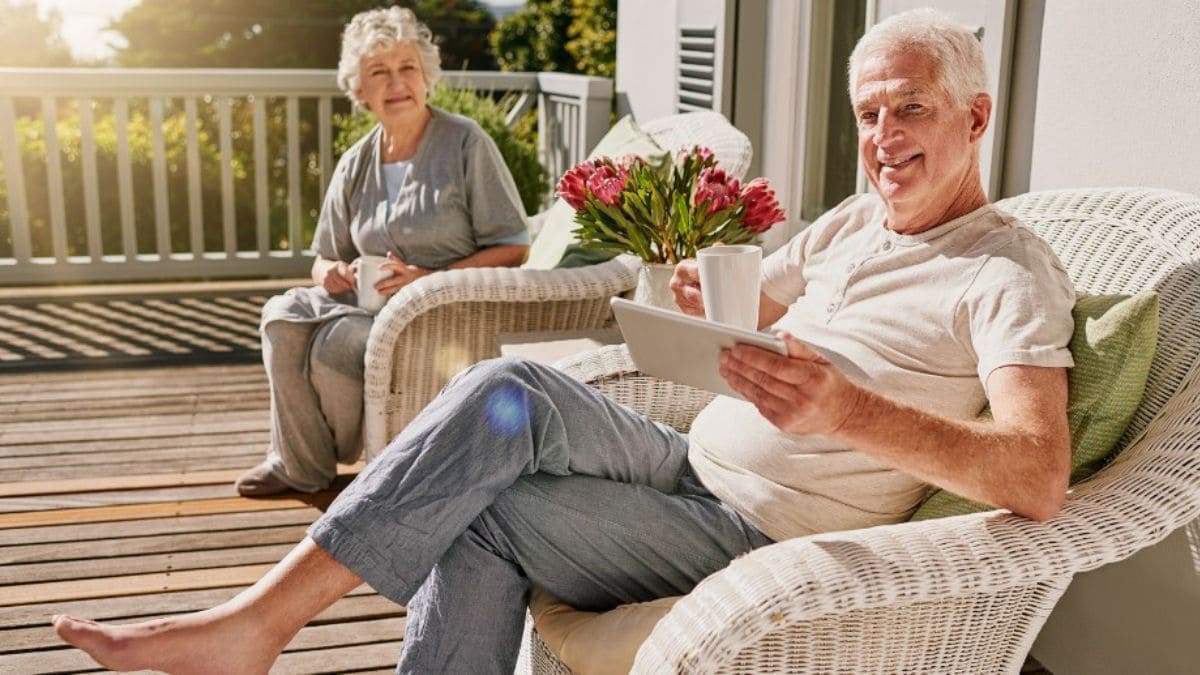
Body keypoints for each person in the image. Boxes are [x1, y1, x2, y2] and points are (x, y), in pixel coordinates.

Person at [53, 9, 1077, 673]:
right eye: (868, 113)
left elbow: (1037, 474)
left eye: (912, 109)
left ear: (976, 114)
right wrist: (705, 296)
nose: (884, 136)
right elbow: (761, 305)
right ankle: (259, 623)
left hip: (760, 526)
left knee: (478, 508)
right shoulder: (858, 220)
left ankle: (258, 626)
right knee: (510, 392)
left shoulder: (1004, 271)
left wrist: (845, 409)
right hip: (687, 457)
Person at [235, 7, 531, 497]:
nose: (397, 83)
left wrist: (427, 277)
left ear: (426, 77)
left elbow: (514, 247)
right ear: (361, 92)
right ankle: (299, 465)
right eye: (379, 72)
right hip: (367, 303)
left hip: (439, 308)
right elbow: (323, 256)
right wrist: (331, 272)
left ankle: (347, 458)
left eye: (407, 67)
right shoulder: (357, 161)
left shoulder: (465, 143)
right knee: (282, 317)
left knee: (337, 344)